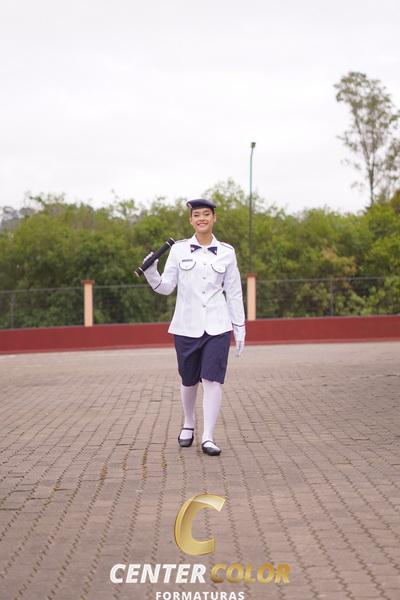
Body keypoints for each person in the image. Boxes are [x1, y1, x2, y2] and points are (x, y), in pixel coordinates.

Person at [142, 198, 246, 456]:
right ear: (191, 220)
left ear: (214, 218)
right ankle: (188, 422)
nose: (202, 218)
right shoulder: (178, 250)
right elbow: (166, 287)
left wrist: (239, 327)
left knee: (212, 379)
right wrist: (151, 271)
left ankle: (207, 436)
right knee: (188, 380)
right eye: (197, 215)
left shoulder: (227, 252)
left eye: (206, 214)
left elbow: (234, 292)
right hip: (186, 326)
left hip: (217, 325)